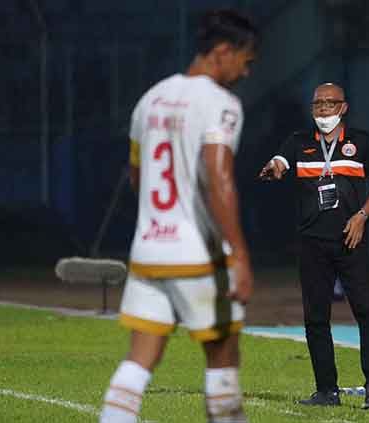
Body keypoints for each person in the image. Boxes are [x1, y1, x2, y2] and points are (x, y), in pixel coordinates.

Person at [99, 10, 258, 423]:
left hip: (148, 252)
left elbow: (138, 176)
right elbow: (219, 179)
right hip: (197, 254)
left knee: (138, 363)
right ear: (223, 52)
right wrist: (239, 254)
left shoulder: (149, 98)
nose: (246, 72)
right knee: (223, 362)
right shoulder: (221, 104)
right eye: (247, 59)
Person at [258, 83, 369, 409]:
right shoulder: (298, 142)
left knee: (368, 312)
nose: (323, 110)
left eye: (330, 104)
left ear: (343, 108)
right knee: (316, 318)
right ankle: (327, 391)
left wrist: (361, 216)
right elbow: (280, 162)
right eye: (318, 104)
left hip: (352, 239)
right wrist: (274, 169)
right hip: (312, 244)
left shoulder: (361, 142)